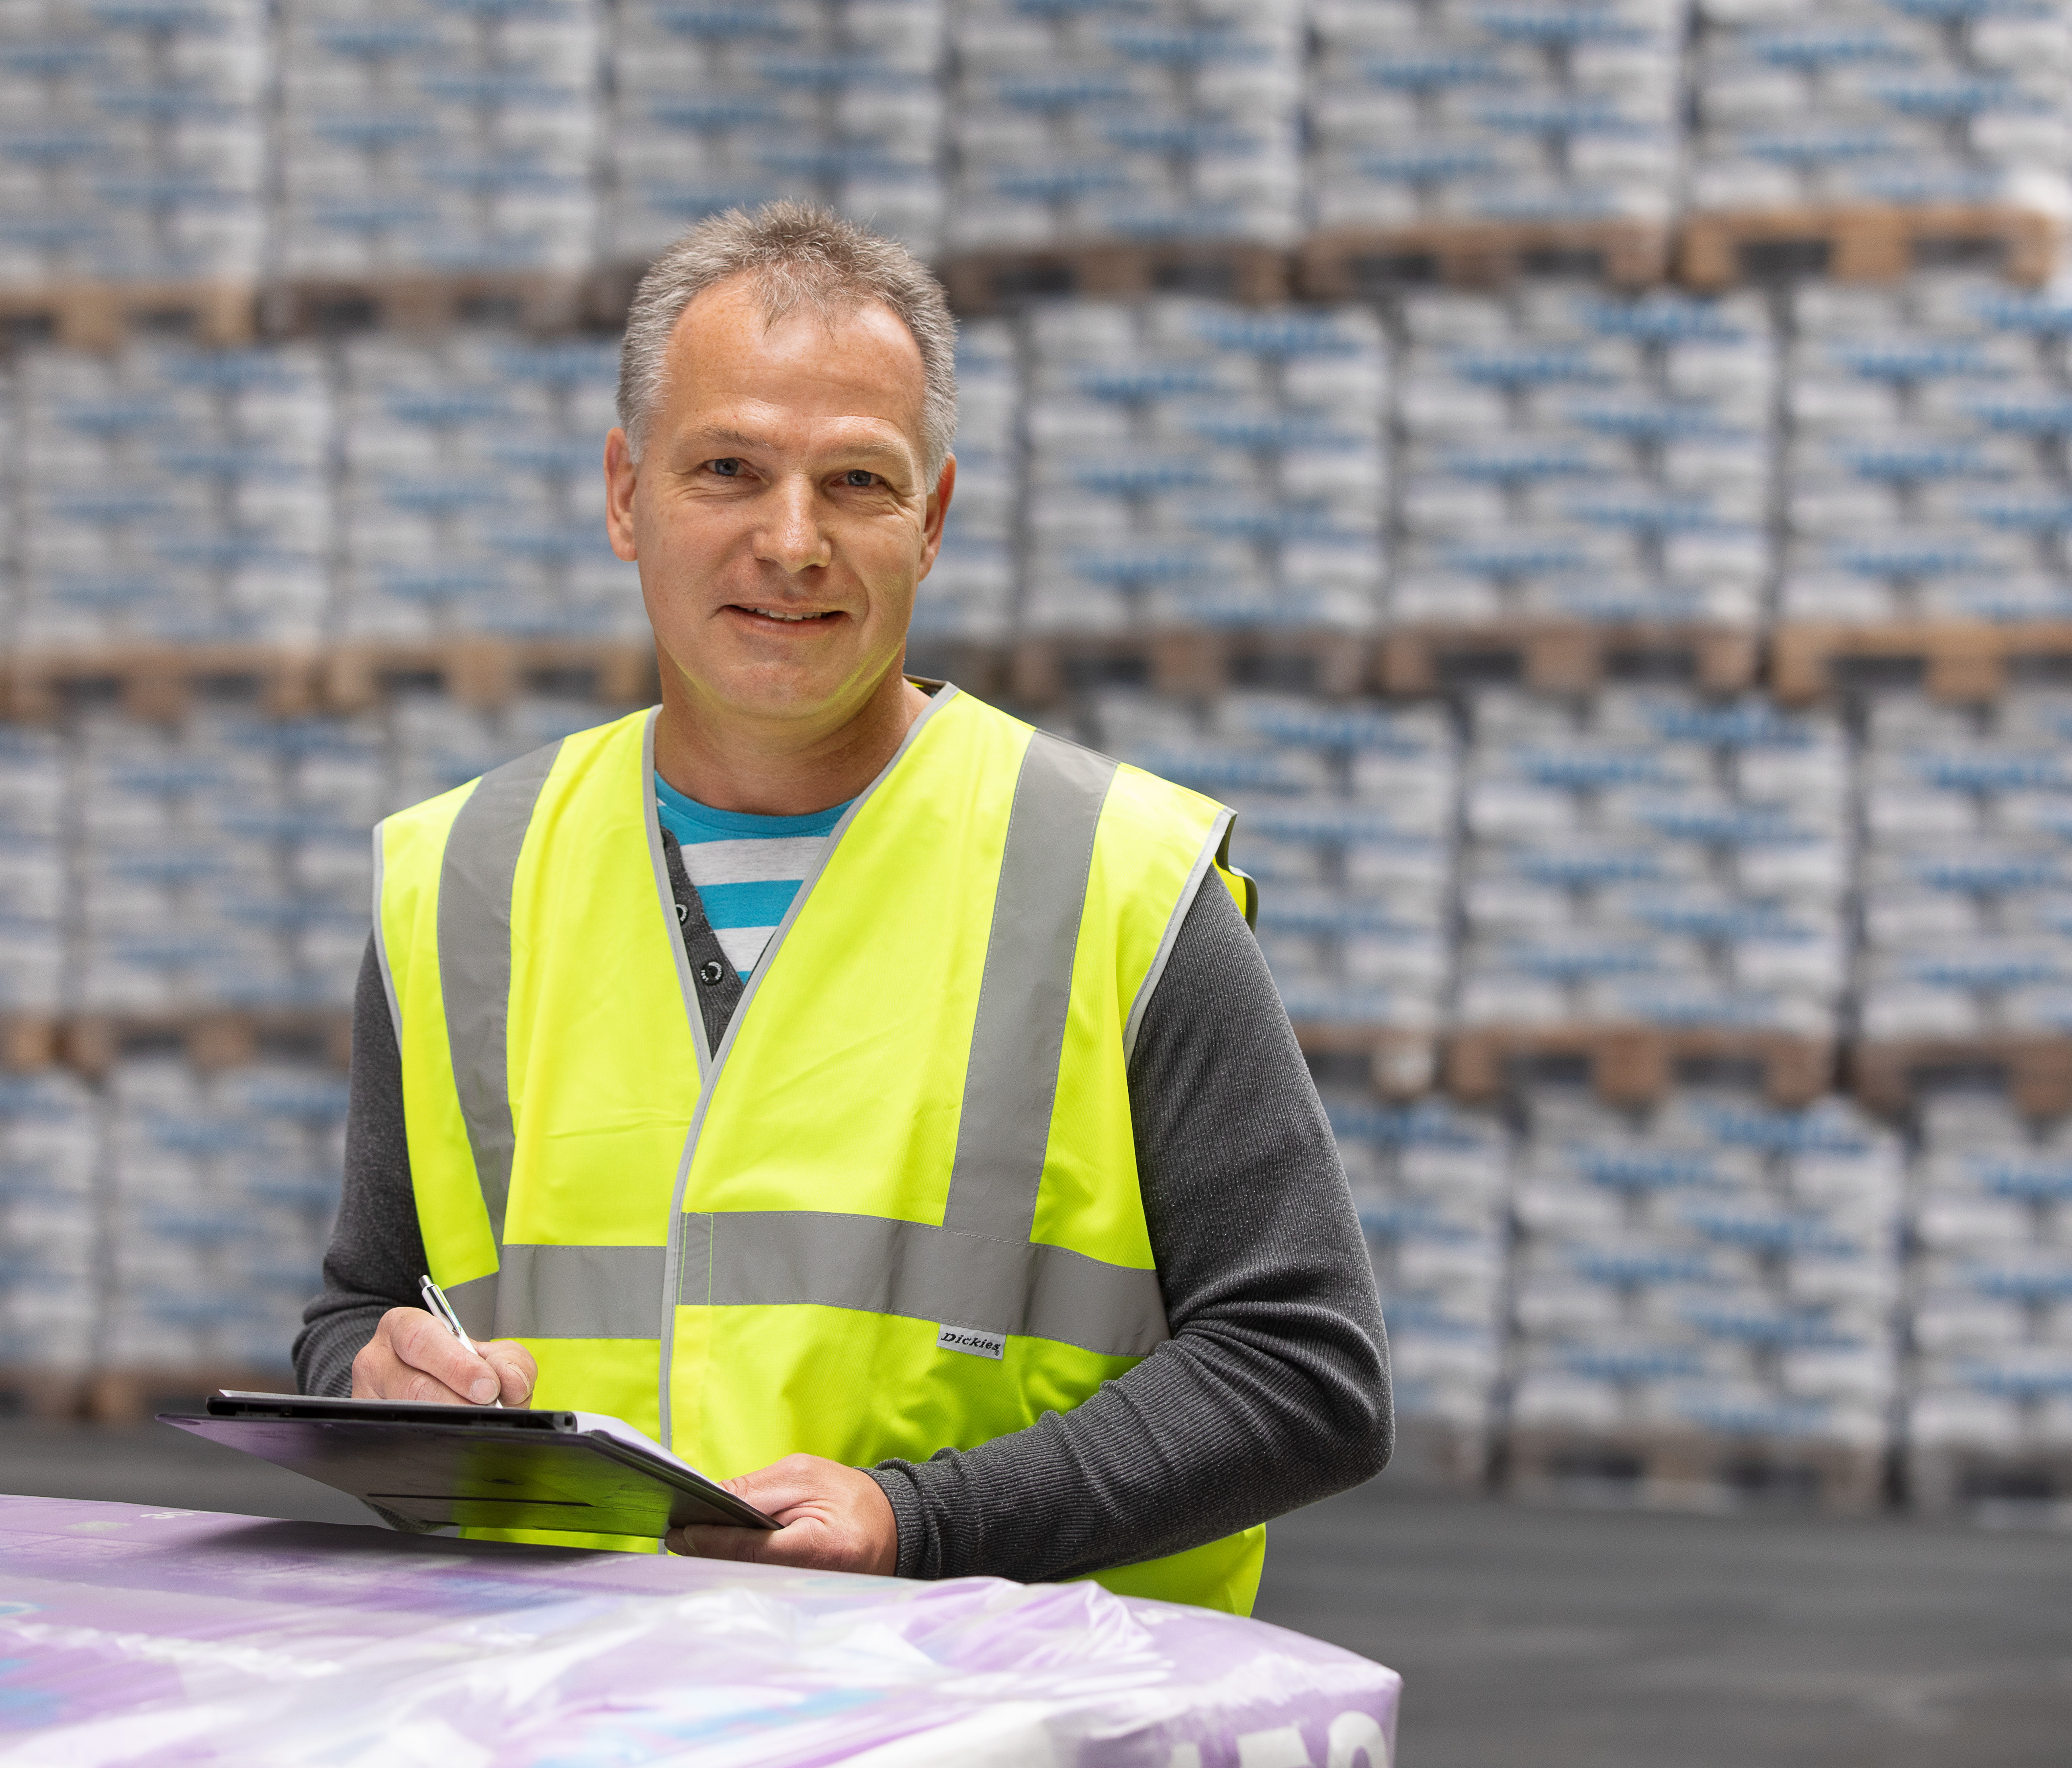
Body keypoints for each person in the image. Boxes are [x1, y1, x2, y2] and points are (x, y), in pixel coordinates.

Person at [295, 201, 1391, 1616]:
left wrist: (920, 1522)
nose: (793, 541)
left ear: (930, 521)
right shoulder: (459, 880)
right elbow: (358, 1310)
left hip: (990, 1722)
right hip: (575, 1706)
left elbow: (1305, 1367)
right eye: (730, 469)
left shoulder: (1121, 877)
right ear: (627, 495)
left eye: (858, 483)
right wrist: (379, 1388)